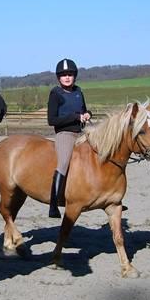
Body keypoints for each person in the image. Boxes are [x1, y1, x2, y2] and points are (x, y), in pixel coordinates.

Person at [47, 58, 92, 218]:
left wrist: (87, 114)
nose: (67, 77)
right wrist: (75, 117)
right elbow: (51, 120)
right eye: (64, 75)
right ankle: (54, 204)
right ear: (59, 77)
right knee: (64, 162)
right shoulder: (55, 93)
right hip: (65, 134)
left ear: (75, 76)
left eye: (70, 74)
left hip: (82, 132)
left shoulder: (79, 92)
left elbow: (84, 111)